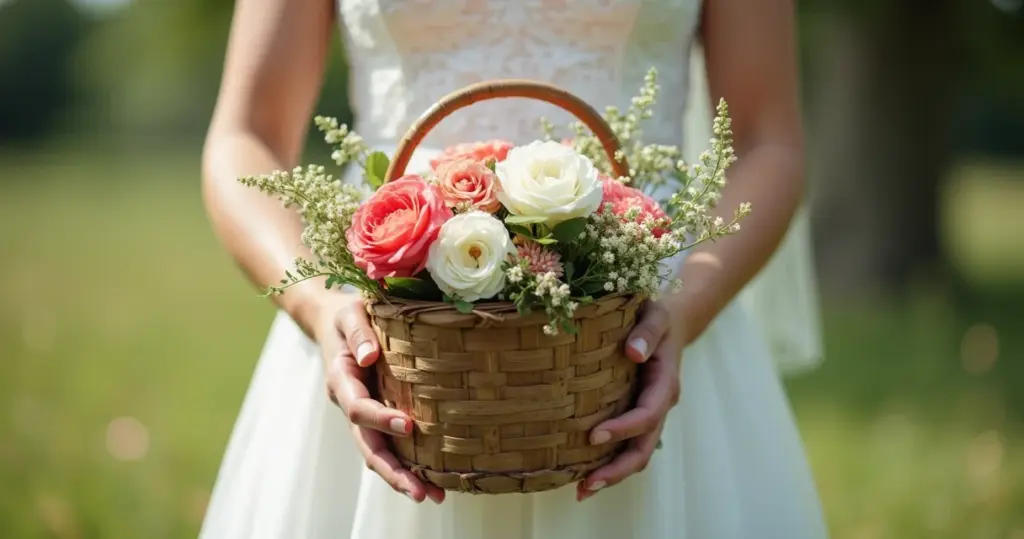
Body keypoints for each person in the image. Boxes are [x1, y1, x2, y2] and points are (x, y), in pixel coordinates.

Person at [198, 0, 828, 538]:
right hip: (384, 331)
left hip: (650, 316)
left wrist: (686, 307)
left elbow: (767, 139)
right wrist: (319, 304)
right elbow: (245, 135)